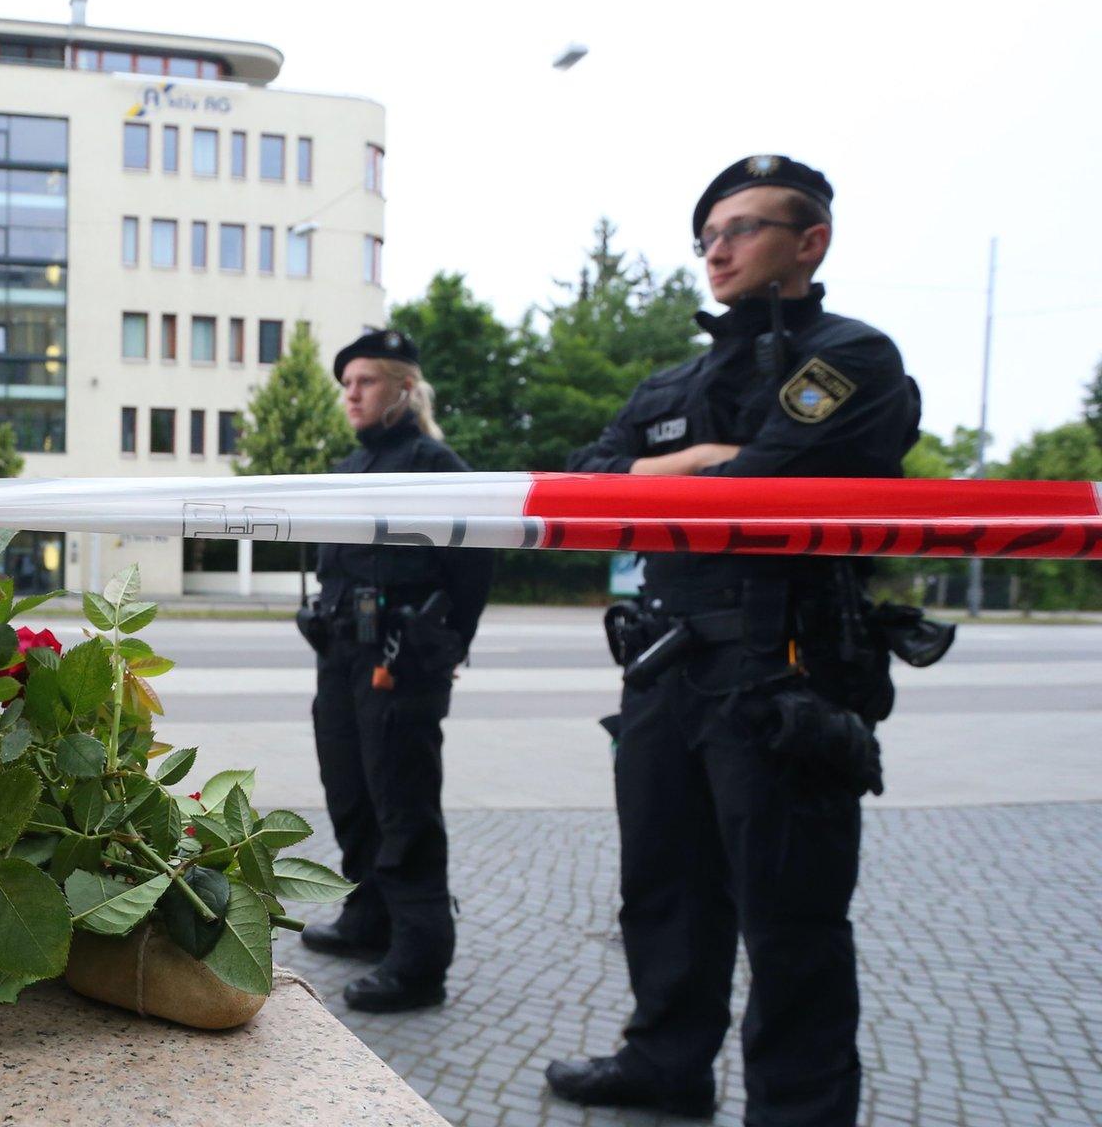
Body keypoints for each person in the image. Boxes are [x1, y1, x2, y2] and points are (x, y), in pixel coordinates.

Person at [546, 156, 923, 1125]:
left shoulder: (850, 361)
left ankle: (795, 1111)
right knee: (661, 890)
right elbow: (583, 483)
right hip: (663, 666)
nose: (715, 249)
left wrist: (666, 472)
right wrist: (691, 459)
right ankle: (665, 1064)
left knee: (789, 914)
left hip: (779, 667)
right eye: (706, 235)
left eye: (741, 229)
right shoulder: (674, 379)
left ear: (808, 243)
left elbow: (765, 482)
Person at [297, 328, 495, 1013]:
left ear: (405, 389)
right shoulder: (352, 468)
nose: (351, 394)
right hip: (340, 657)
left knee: (403, 803)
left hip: (399, 661)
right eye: (346, 384)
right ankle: (367, 918)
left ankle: (420, 958)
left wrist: (444, 647)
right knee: (350, 794)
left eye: (366, 382)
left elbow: (476, 560)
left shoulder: (433, 464)